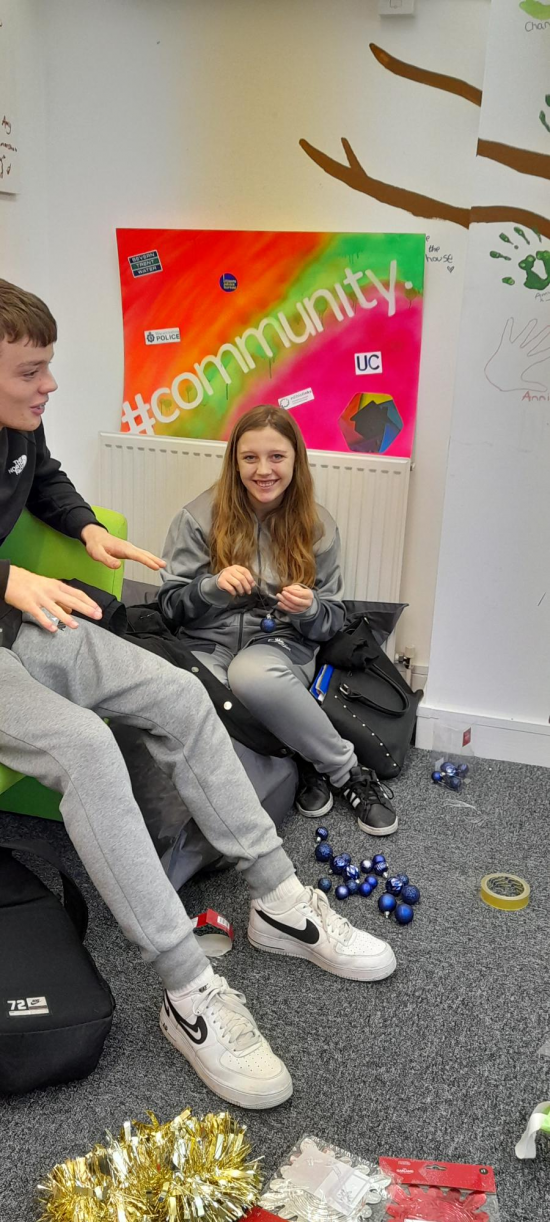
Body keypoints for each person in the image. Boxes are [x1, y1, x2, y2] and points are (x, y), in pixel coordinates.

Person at [0, 279, 396, 1111]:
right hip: (11, 608)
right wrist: (10, 576)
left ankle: (280, 903)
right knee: (84, 745)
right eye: (32, 371)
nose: (50, 385)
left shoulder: (19, 425)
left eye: (48, 368)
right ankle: (188, 991)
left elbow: (44, 475)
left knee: (182, 694)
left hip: (26, 618)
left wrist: (82, 528)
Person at [158, 404, 398, 834]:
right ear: (234, 461)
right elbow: (170, 606)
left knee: (252, 676)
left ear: (295, 460)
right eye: (250, 458)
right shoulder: (196, 517)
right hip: (206, 643)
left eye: (276, 457)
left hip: (280, 647)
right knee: (194, 691)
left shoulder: (317, 525)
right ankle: (292, 762)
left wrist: (308, 610)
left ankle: (346, 772)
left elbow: (330, 623)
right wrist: (209, 588)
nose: (263, 470)